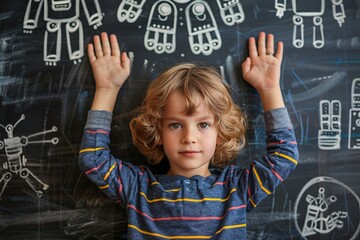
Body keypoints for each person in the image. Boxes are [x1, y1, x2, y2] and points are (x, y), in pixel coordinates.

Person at [79, 31, 299, 239]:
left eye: (203, 124)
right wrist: (107, 90)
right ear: (158, 131)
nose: (189, 137)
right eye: (175, 125)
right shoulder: (139, 188)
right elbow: (94, 159)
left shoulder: (236, 188)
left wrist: (269, 89)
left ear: (220, 132)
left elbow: (284, 157)